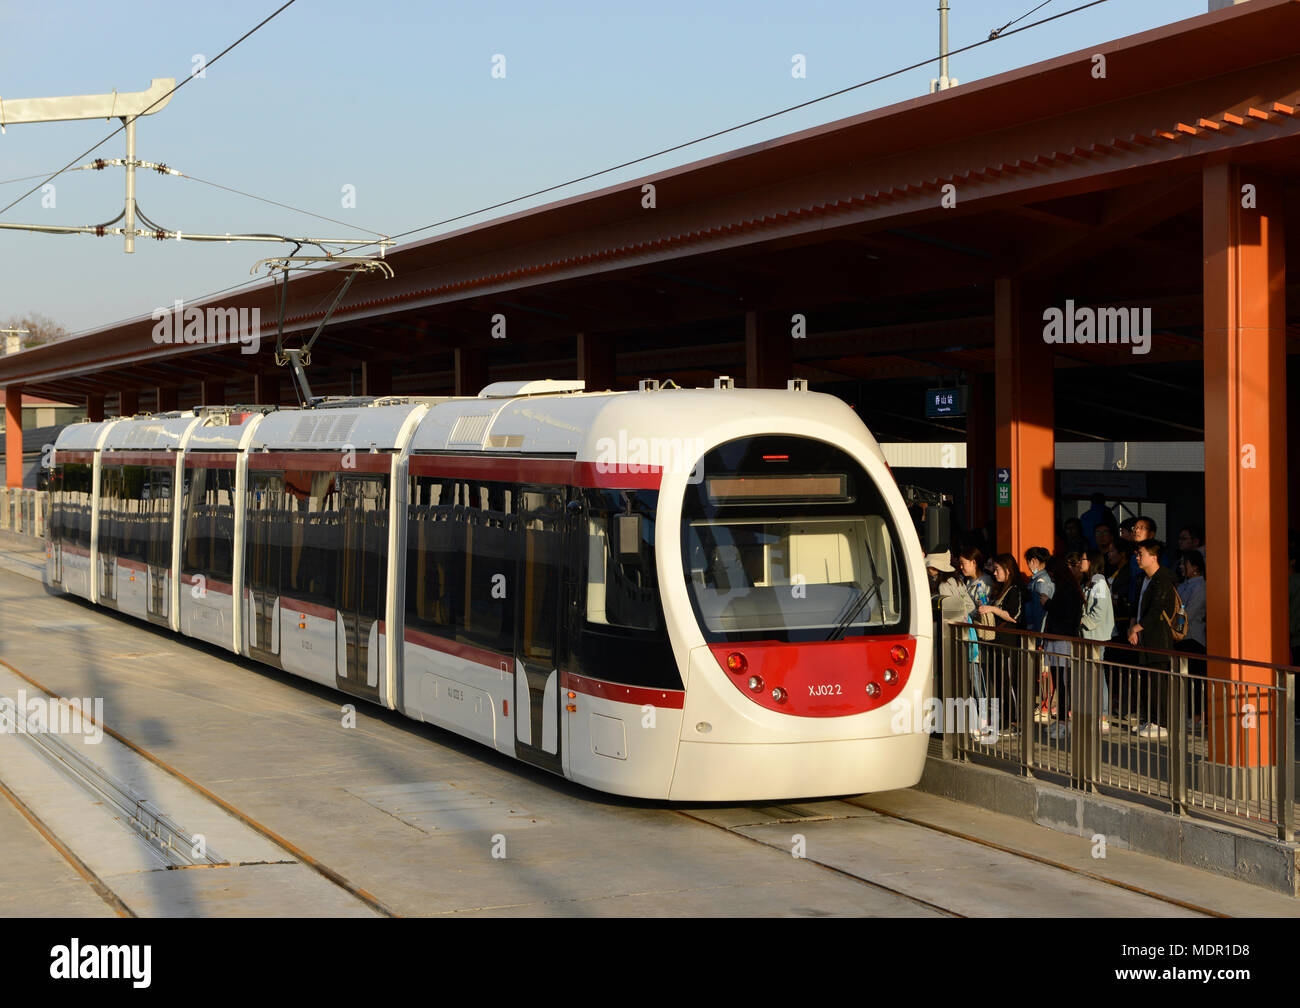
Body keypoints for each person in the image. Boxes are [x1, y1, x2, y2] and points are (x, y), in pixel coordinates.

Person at [1127, 539, 1179, 739]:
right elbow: (1136, 606)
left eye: (1141, 554)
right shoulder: (1143, 578)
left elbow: (1158, 609)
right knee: (1147, 681)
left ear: (1154, 557)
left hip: (1158, 638)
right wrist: (1132, 625)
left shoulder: (1163, 579)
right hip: (1143, 637)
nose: (1138, 557)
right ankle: (1151, 718)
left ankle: (1162, 723)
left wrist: (1136, 628)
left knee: (1159, 682)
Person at [977, 553, 1025, 734]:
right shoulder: (1001, 589)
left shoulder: (1014, 590)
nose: (995, 573)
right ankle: (1003, 719)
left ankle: (1014, 721)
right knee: (998, 682)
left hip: (1008, 643)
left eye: (997, 569)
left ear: (1007, 570)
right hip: (997, 642)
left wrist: (992, 609)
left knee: (1008, 683)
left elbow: (1014, 616)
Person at [1042, 555, 1084, 738]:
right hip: (1058, 639)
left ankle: (1064, 721)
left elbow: (1065, 614)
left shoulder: (1068, 589)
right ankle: (1061, 719)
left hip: (1063, 640)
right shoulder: (1069, 587)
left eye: (1051, 573)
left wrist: (1048, 604)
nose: (1050, 577)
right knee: (1060, 681)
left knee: (1063, 681)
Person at [1077, 548, 1114, 730]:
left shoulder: (1099, 583)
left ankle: (1103, 715)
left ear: (1091, 561)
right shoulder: (1090, 582)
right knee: (1092, 676)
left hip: (1095, 636)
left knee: (1097, 676)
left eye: (1083, 558)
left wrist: (1082, 621)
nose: (1080, 562)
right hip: (1088, 635)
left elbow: (1099, 611)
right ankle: (1095, 713)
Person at [957, 547, 992, 733]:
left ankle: (984, 720)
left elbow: (982, 610)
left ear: (974, 563)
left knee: (979, 680)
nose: (961, 567)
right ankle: (979, 718)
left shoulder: (984, 583)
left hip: (978, 637)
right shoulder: (967, 582)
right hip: (972, 635)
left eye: (964, 563)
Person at [1175, 550, 1207, 724]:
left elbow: (1189, 612)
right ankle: (1188, 713)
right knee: (1185, 679)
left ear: (1195, 566)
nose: (1181, 567)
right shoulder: (1184, 585)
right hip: (1182, 638)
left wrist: (1177, 627)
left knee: (1195, 678)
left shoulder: (1201, 587)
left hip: (1194, 638)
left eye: (1184, 563)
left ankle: (1197, 715)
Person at [1023, 546, 1054, 720]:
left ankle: (1045, 706)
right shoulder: (1038, 580)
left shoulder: (1042, 582)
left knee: (1044, 671)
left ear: (1034, 561)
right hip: (1037, 632)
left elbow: (1042, 611)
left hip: (1039, 633)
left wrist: (1040, 635)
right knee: (1041, 671)